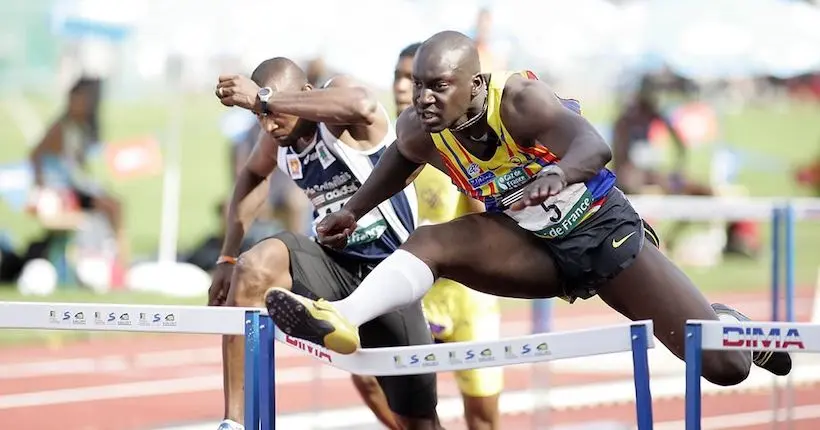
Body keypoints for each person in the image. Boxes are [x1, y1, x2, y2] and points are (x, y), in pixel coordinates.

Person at [264, 31, 793, 391]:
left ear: (474, 84)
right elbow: (398, 163)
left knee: (724, 368)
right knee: (432, 243)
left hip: (600, 231)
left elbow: (594, 146)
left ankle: (728, 322)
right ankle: (341, 318)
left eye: (438, 87)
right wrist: (354, 210)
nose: (424, 98)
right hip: (529, 244)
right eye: (420, 85)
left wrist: (559, 173)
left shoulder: (521, 101)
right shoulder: (418, 127)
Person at [208, 57, 442, 430]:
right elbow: (252, 174)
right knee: (254, 267)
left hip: (392, 273)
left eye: (272, 113)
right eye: (259, 116)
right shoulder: (276, 140)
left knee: (418, 421)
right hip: (333, 268)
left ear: (304, 95)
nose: (268, 124)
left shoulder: (338, 117)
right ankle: (233, 422)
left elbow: (361, 105)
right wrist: (227, 255)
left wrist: (266, 99)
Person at [348, 42, 503, 430]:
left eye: (414, 79)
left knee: (483, 419)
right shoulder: (377, 148)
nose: (405, 88)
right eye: (402, 78)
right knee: (366, 375)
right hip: (409, 294)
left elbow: (483, 222)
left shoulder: (451, 143)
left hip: (465, 294)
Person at [611, 77, 759, 258]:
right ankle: (665, 240)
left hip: (653, 177)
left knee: (704, 191)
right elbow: (624, 164)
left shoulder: (653, 116)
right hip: (633, 178)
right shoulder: (627, 121)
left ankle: (735, 238)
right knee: (665, 186)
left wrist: (676, 166)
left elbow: (678, 143)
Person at [29, 76, 129, 266]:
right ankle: (120, 264)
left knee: (114, 206)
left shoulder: (80, 128)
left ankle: (118, 261)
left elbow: (78, 166)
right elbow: (35, 155)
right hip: (62, 191)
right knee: (112, 207)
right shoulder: (60, 127)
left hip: (73, 187)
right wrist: (41, 185)